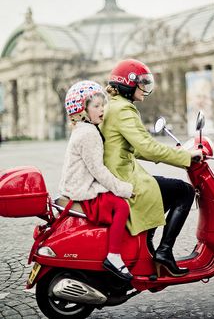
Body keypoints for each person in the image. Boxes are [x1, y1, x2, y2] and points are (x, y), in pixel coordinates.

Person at [100, 59, 203, 277]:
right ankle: (164, 252)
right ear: (128, 85)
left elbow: (130, 147)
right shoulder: (125, 110)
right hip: (125, 178)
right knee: (184, 191)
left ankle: (146, 245)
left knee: (163, 189)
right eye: (141, 83)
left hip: (119, 173)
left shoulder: (113, 106)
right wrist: (185, 156)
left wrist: (170, 152)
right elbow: (147, 147)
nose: (144, 88)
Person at [59, 80, 134, 281]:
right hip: (81, 191)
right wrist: (123, 189)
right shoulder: (89, 133)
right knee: (121, 206)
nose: (102, 109)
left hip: (79, 186)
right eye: (96, 106)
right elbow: (98, 170)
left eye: (103, 104)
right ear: (82, 110)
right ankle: (114, 256)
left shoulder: (83, 129)